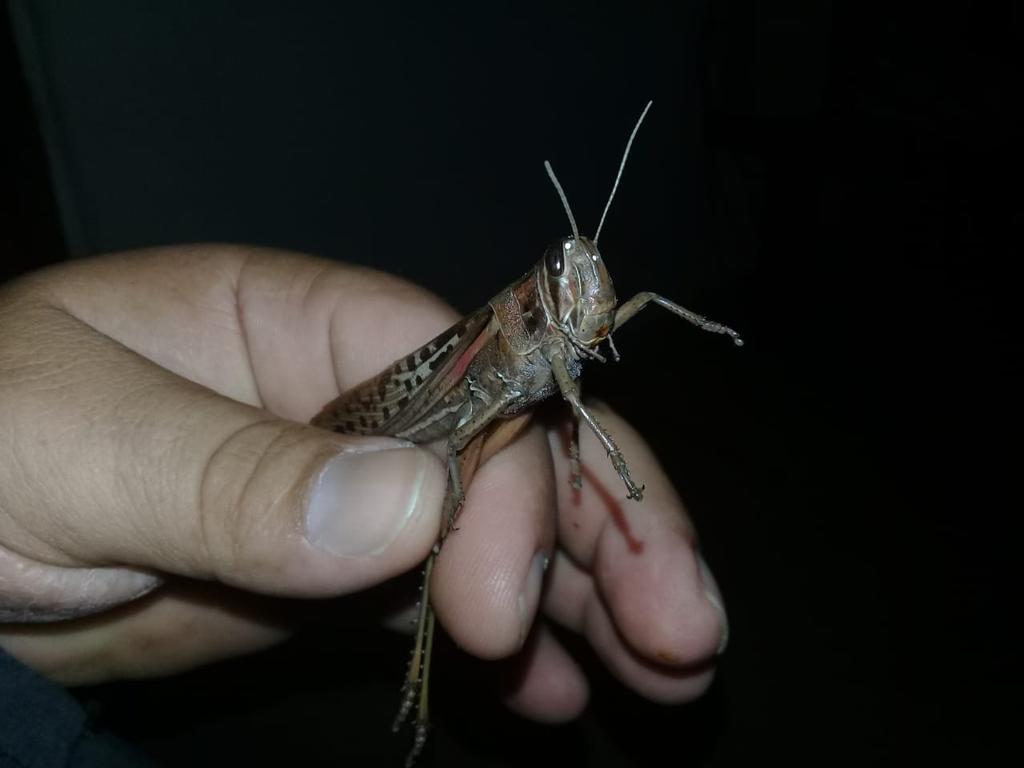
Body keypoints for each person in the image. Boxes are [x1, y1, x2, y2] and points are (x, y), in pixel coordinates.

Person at [0, 245, 727, 762]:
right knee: (447, 530)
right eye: (573, 274)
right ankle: (416, 691)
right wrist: (621, 472)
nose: (590, 287)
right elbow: (557, 396)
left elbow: (578, 384)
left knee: (466, 526)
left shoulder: (572, 328)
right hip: (436, 408)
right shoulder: (515, 319)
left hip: (495, 414)